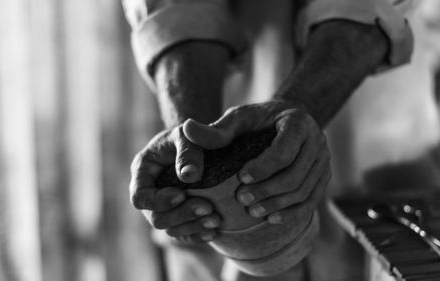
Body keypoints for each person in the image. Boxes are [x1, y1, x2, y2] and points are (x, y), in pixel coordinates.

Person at [122, 0, 417, 280]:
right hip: (210, 244)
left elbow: (365, 7)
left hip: (378, 166)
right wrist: (190, 138)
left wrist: (302, 105)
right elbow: (178, 10)